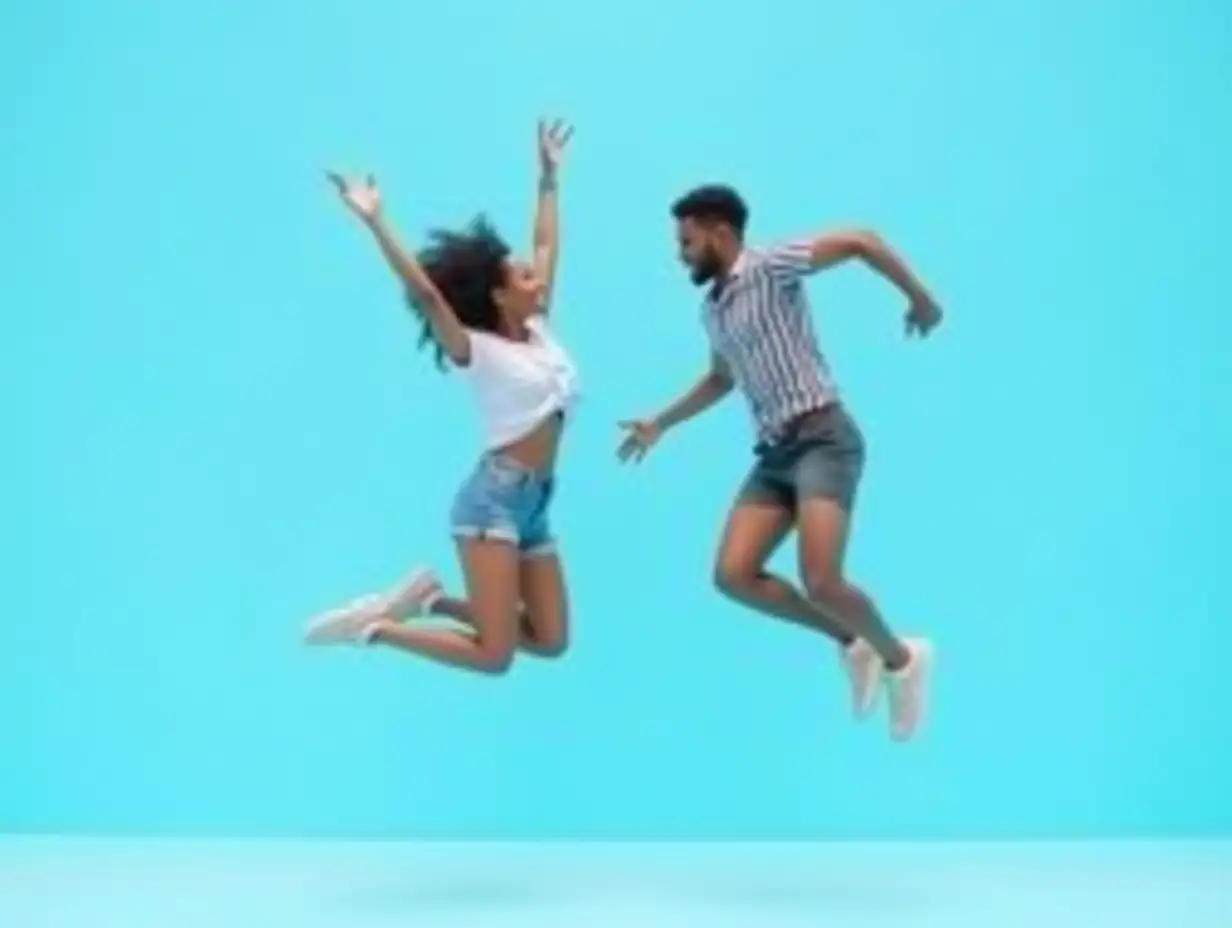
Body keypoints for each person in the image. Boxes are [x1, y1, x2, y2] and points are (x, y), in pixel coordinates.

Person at [618, 184, 942, 740]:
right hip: (774, 457)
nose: (681, 254)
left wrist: (919, 298)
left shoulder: (770, 267)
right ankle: (849, 640)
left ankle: (901, 659)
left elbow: (862, 240)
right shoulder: (712, 310)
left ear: (721, 233)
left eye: (687, 241)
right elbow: (722, 377)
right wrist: (661, 422)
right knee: (733, 576)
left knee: (822, 579)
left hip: (823, 436)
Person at [304, 120, 579, 674]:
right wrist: (376, 221)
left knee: (549, 640)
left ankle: (428, 600)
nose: (538, 280)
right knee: (495, 656)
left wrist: (548, 178)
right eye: (524, 277)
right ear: (499, 295)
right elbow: (427, 296)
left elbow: (547, 242)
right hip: (492, 502)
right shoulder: (476, 349)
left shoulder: (539, 330)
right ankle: (376, 629)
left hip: (534, 503)